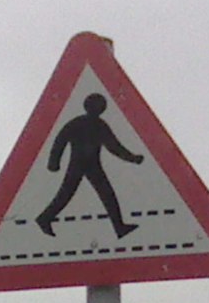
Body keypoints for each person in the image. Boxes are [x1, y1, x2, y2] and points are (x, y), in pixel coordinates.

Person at [36, 93, 144, 239]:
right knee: (67, 194)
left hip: (91, 164)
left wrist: (133, 158)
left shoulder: (97, 125)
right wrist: (53, 162)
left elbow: (114, 147)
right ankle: (44, 218)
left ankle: (119, 227)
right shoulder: (82, 123)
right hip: (79, 164)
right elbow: (60, 140)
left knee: (105, 194)